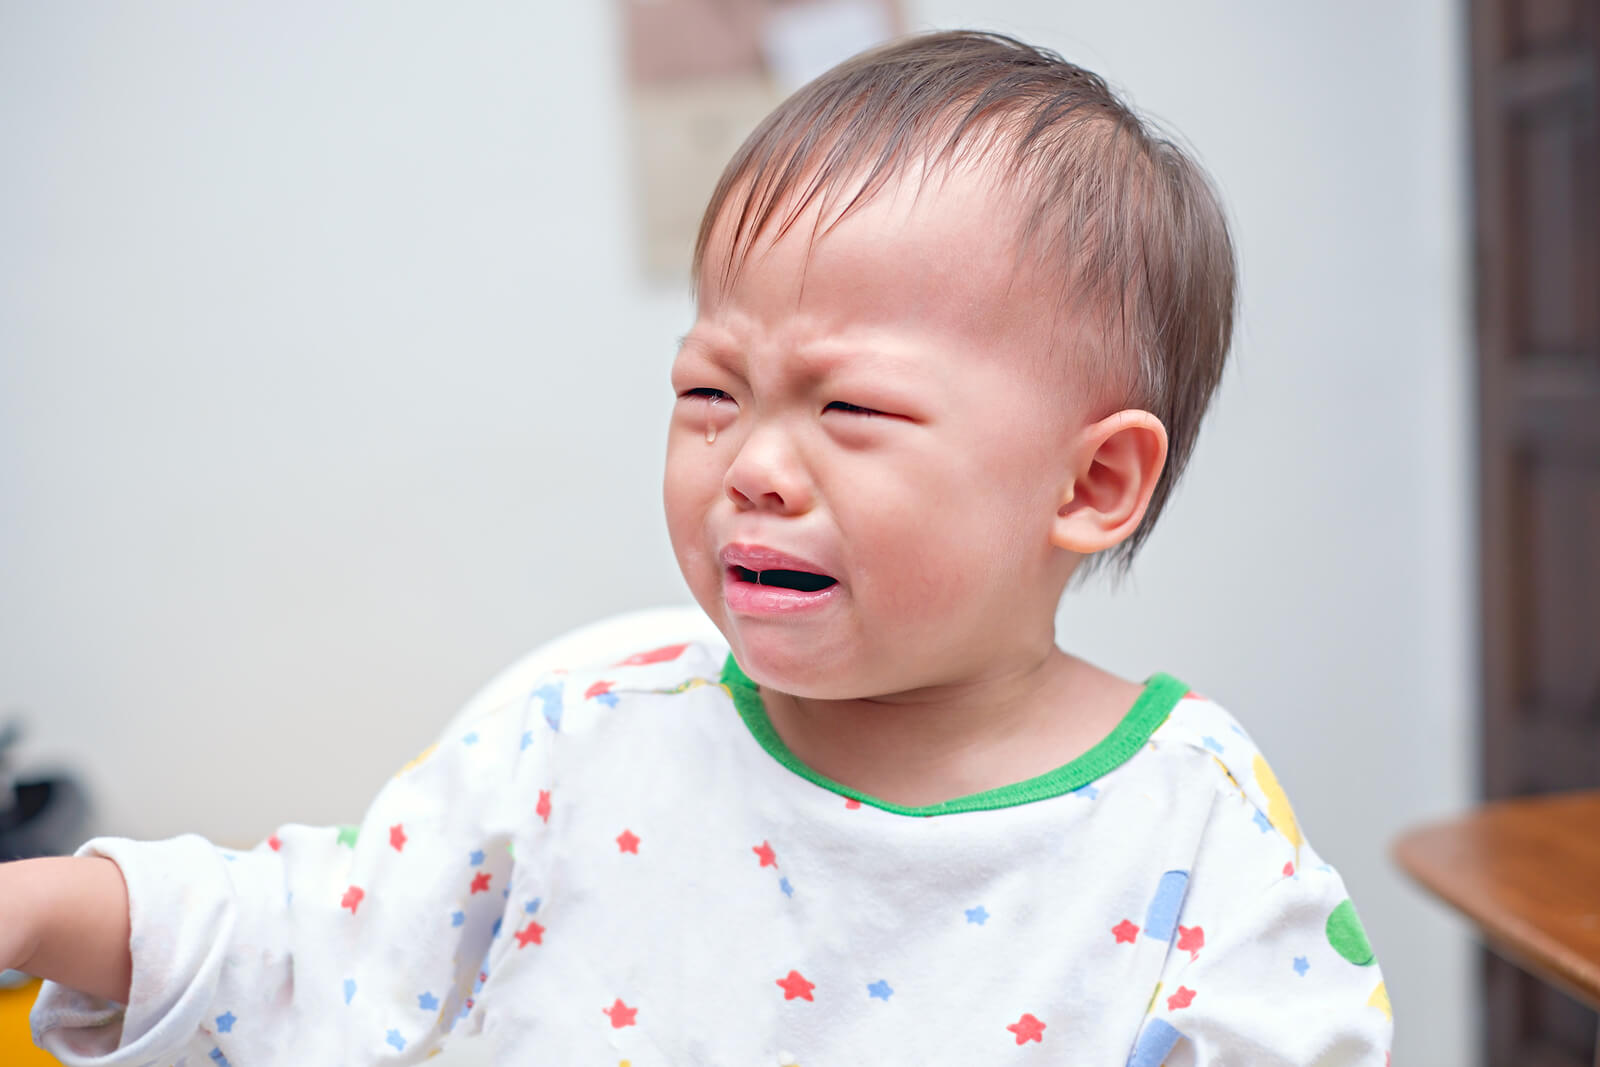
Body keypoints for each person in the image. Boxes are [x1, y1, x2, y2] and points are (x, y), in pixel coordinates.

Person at [4, 30, 1392, 1064]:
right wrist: (50, 908)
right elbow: (315, 934)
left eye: (850, 410)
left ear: (1091, 482)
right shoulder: (586, 730)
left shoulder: (1187, 835)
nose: (753, 468)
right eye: (709, 396)